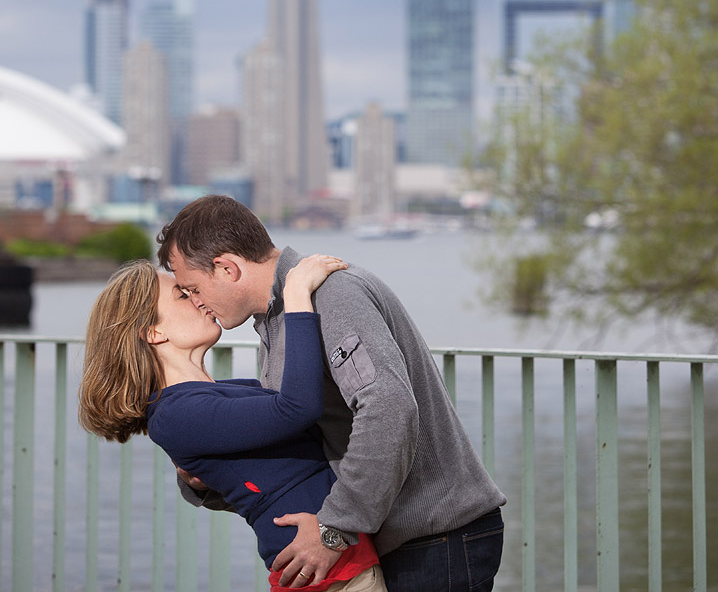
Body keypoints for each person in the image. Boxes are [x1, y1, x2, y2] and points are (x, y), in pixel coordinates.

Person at [157, 195, 506, 592]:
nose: (197, 302)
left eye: (193, 288)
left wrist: (333, 529)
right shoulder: (277, 321)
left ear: (227, 267)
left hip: (434, 536)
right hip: (396, 539)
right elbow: (301, 450)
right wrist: (205, 480)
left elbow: (388, 408)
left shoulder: (332, 295)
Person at [78, 254, 386, 591]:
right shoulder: (176, 415)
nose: (198, 300)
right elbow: (298, 408)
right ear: (153, 332)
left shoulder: (218, 395)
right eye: (183, 295)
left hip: (339, 563)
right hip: (328, 576)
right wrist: (297, 294)